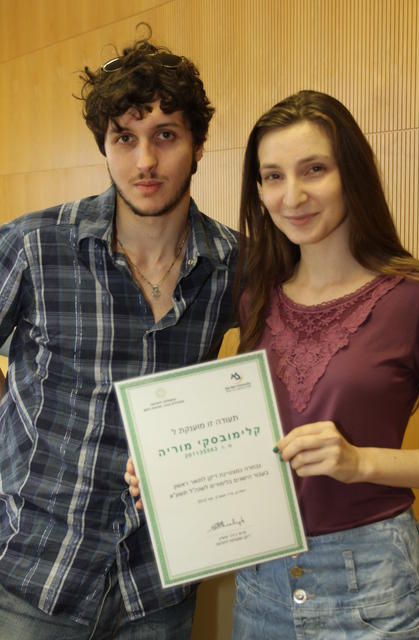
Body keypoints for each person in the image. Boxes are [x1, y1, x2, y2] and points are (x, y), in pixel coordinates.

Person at [0, 27, 237, 640]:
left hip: (159, 580)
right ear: (104, 147)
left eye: (166, 135)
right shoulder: (34, 245)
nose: (145, 162)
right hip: (37, 567)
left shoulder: (234, 264)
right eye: (124, 138)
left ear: (198, 145)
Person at [230, 89, 419, 638]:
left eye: (314, 169)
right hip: (260, 580)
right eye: (273, 176)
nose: (292, 196)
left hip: (373, 582)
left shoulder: (413, 297)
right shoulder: (255, 299)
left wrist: (360, 463)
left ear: (351, 175)